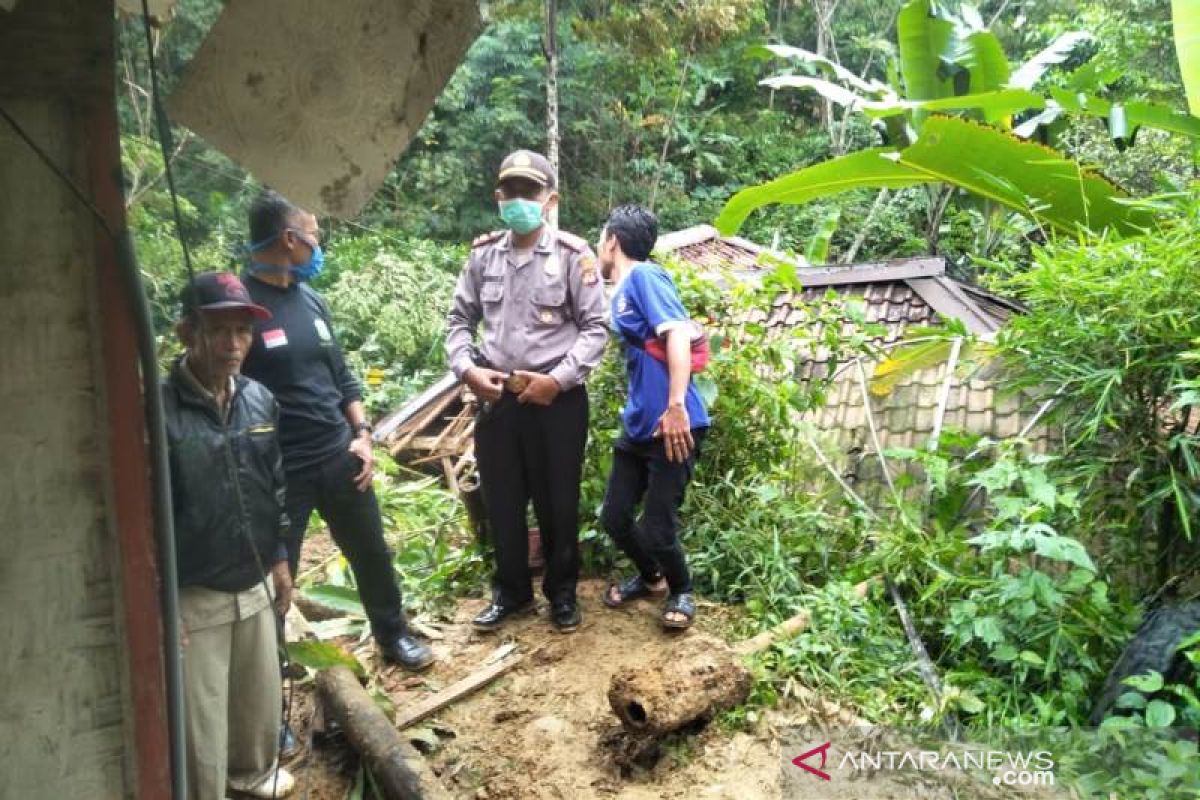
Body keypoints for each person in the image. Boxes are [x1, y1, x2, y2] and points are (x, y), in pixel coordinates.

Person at [240, 191, 433, 671]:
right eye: (314, 234)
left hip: (338, 454)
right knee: (278, 575)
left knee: (371, 553)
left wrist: (362, 434)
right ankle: (271, 674)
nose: (318, 244)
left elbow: (343, 376)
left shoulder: (311, 300)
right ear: (290, 239)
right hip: (283, 470)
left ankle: (394, 635)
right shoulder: (242, 308)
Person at [446, 149, 608, 632]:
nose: (519, 199)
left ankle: (562, 594)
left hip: (557, 400)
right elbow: (458, 321)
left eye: (529, 191)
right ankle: (512, 593)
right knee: (502, 500)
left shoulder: (574, 256)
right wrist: (466, 370)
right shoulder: (482, 256)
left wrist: (557, 380)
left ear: (549, 199)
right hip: (497, 397)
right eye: (511, 191)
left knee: (558, 500)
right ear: (499, 197)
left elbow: (597, 328)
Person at [163, 272, 295, 799]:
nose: (234, 344)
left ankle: (252, 780)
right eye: (219, 330)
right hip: (195, 591)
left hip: (254, 579)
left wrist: (280, 557)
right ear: (186, 333)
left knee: (256, 706)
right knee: (202, 723)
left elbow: (275, 483)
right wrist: (163, 599)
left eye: (242, 331)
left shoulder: (260, 400)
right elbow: (149, 514)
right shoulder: (158, 409)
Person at [595, 205, 711, 629]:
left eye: (600, 239)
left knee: (658, 527)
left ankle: (682, 590)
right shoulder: (622, 288)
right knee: (614, 517)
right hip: (640, 425)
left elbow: (678, 332)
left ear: (612, 241)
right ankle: (650, 577)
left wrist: (676, 404)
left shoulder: (645, 276)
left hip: (674, 424)